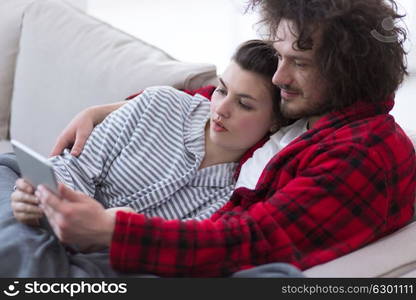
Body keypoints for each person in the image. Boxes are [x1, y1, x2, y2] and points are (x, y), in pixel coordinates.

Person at [14, 0, 416, 277]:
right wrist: (109, 109)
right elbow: (217, 97)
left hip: (188, 260)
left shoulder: (361, 154)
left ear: (345, 71)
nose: (280, 77)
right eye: (280, 57)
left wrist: (110, 231)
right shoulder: (312, 107)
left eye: (300, 64)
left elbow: (252, 242)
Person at [11, 40, 286, 229]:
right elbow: (75, 168)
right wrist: (41, 199)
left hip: (104, 257)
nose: (221, 109)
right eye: (222, 90)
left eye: (244, 104)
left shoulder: (237, 192)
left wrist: (102, 227)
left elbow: (179, 249)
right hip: (49, 211)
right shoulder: (159, 104)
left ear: (274, 120)